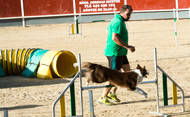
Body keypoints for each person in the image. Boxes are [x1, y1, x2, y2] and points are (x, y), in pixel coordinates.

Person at [98, 5, 135, 106]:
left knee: (127, 72)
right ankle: (103, 97)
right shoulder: (118, 22)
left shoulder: (116, 20)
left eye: (130, 14)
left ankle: (112, 92)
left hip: (121, 52)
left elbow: (107, 31)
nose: (129, 16)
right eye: (128, 14)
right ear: (121, 13)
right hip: (115, 53)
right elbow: (114, 38)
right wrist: (127, 46)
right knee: (113, 76)